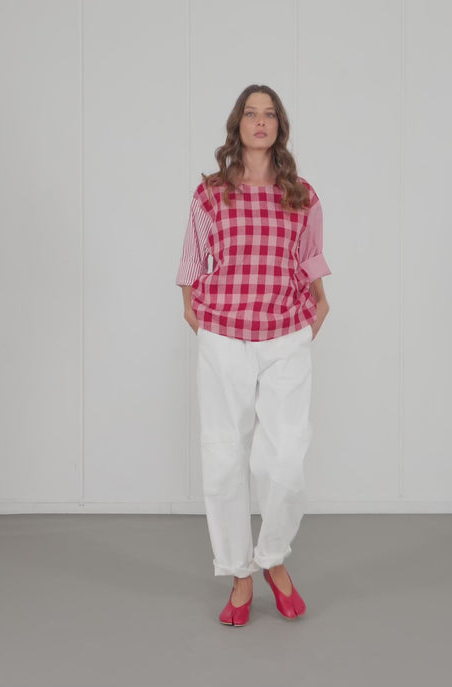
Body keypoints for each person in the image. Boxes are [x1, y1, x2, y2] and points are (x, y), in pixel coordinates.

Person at [175, 84, 331, 626]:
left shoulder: (302, 194)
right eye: (250, 113)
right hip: (224, 335)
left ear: (279, 126)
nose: (260, 121)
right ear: (237, 125)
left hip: (285, 332)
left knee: (284, 458)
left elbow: (310, 257)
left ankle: (273, 557)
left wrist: (320, 304)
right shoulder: (211, 193)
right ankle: (239, 572)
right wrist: (192, 308)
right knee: (223, 458)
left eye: (269, 114)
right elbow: (192, 258)